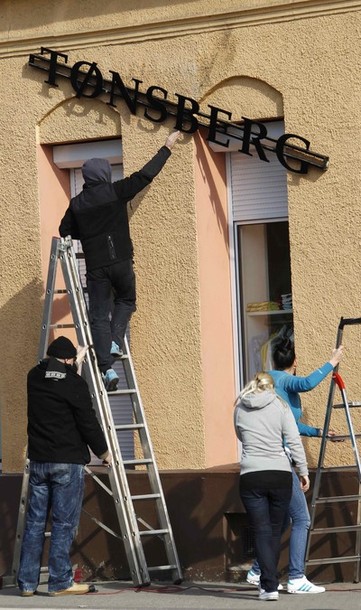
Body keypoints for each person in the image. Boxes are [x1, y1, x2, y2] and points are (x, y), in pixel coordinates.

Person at [59, 130, 181, 392]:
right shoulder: (115, 192)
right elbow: (144, 176)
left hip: (96, 267)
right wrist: (166, 147)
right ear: (104, 174)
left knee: (99, 316)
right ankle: (115, 341)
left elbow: (64, 230)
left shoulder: (77, 203)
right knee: (126, 301)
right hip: (121, 261)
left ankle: (106, 369)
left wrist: (87, 234)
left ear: (86, 178)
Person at [247, 336, 344, 594]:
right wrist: (331, 362)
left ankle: (257, 569)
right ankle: (296, 577)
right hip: (281, 460)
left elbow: (288, 423)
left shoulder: (264, 380)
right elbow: (307, 383)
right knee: (301, 518)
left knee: (282, 521)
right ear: (294, 362)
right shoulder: (285, 379)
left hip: (259, 461)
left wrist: (318, 431)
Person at [17, 336, 111, 597]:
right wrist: (104, 452)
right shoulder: (75, 383)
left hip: (38, 463)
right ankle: (60, 581)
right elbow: (87, 422)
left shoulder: (33, 378)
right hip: (66, 463)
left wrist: (71, 365)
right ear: (68, 361)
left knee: (35, 523)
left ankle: (26, 583)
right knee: (63, 523)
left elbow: (53, 377)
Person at [234, 372, 309, 602]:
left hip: (251, 475)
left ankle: (269, 586)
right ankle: (271, 585)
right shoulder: (280, 405)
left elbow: (240, 434)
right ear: (271, 387)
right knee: (275, 530)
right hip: (279, 474)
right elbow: (293, 440)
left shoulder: (239, 406)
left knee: (261, 531)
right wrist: (303, 471)